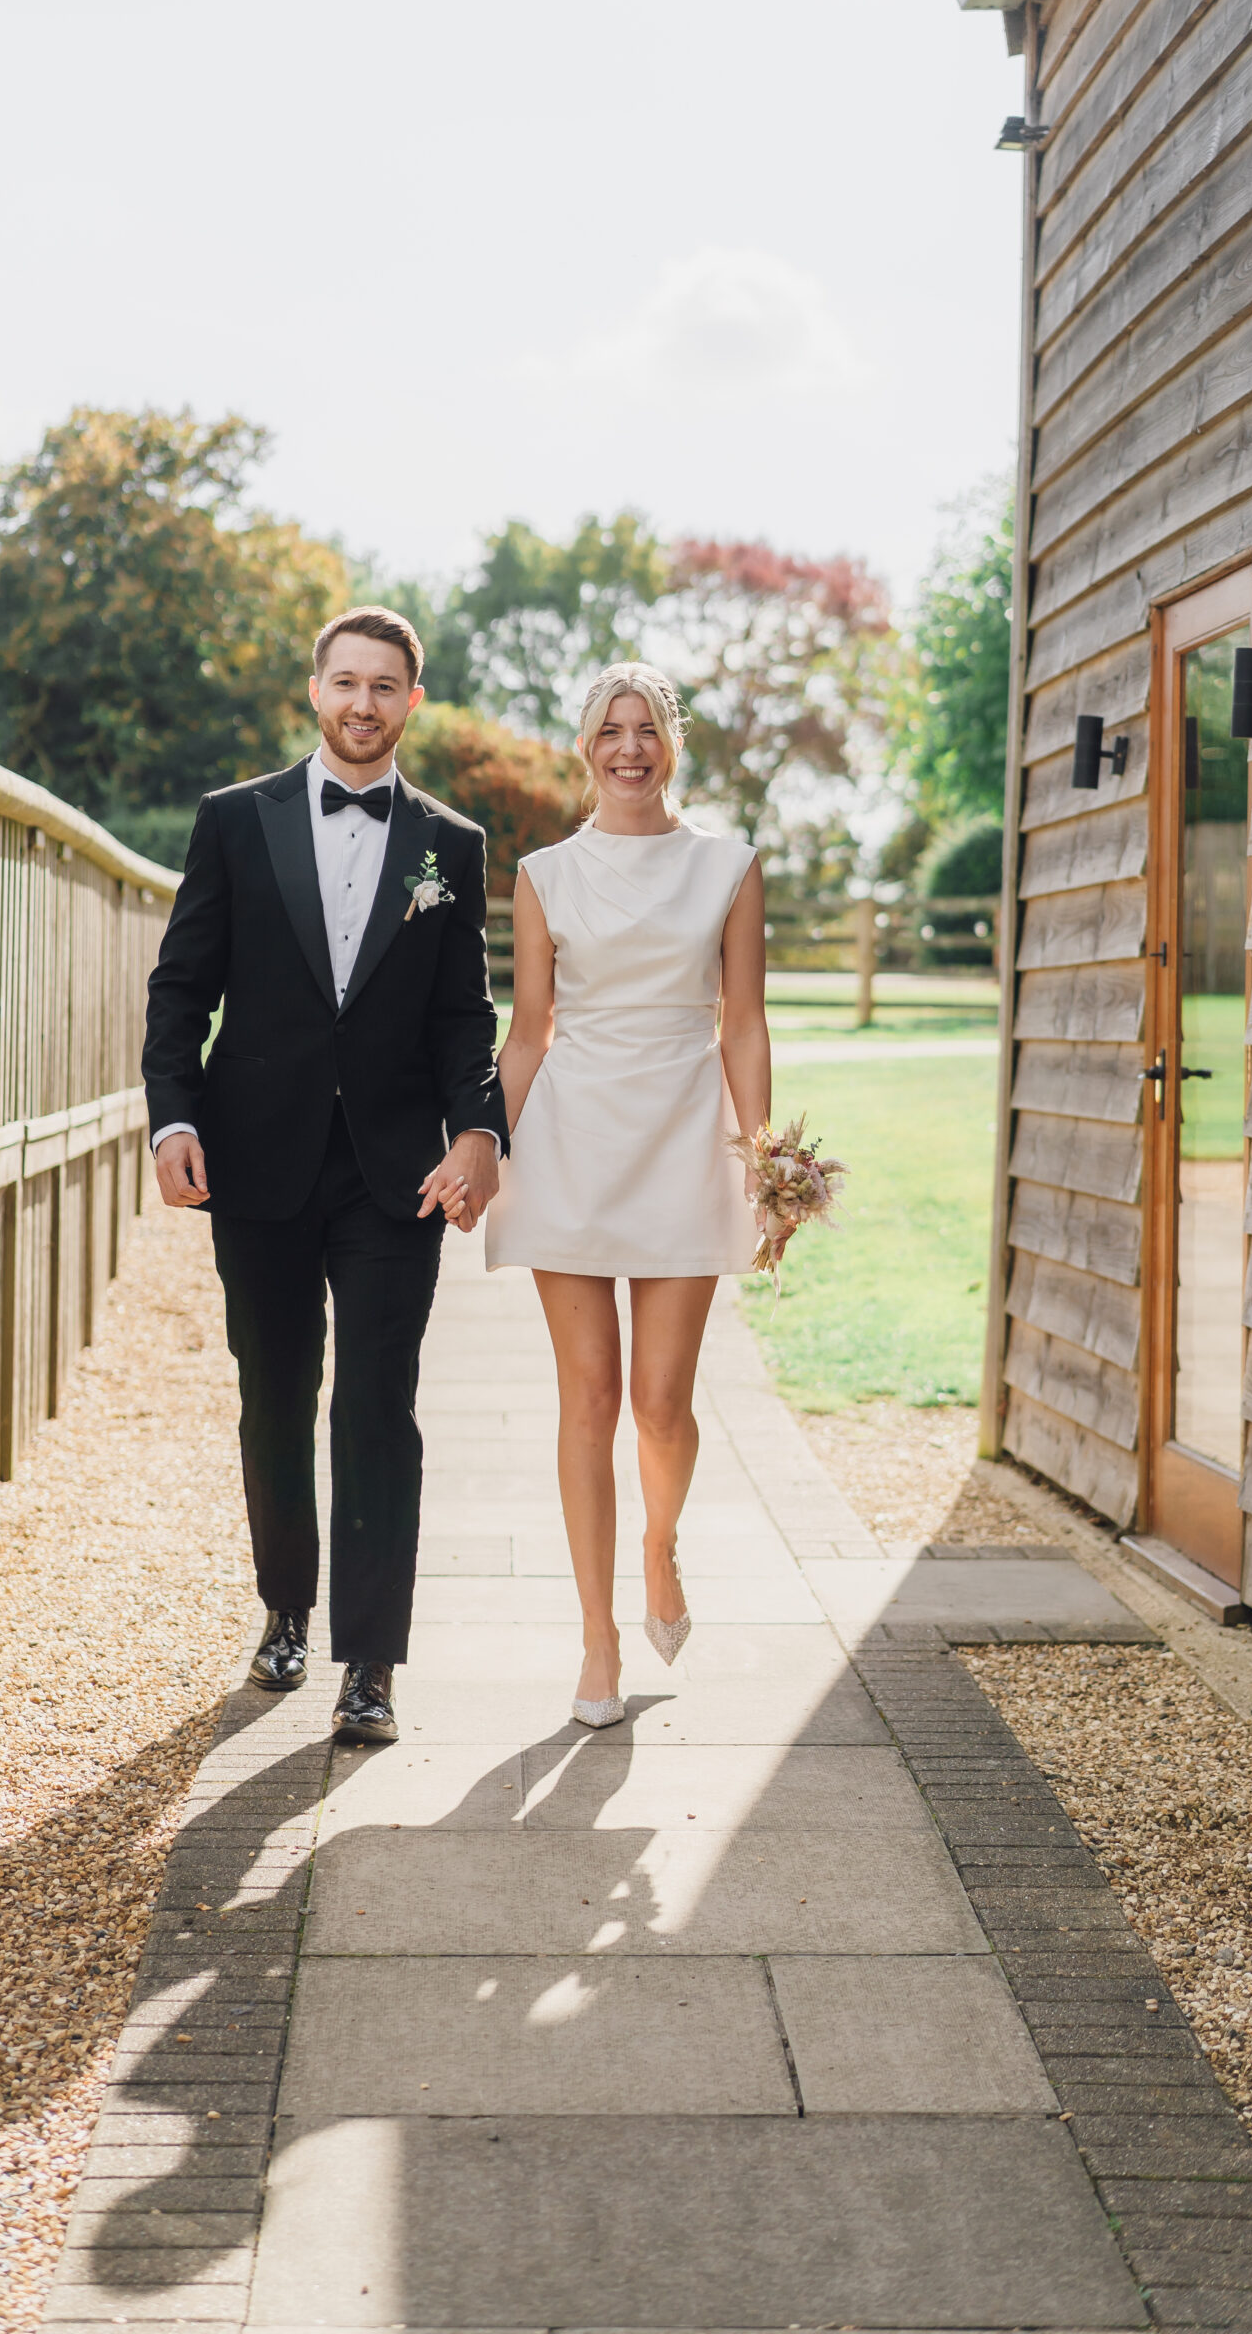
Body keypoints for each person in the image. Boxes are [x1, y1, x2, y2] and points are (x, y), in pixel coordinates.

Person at [141, 608, 507, 1746]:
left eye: (384, 686)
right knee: (276, 1394)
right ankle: (285, 1611)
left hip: (395, 1174)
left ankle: (372, 1664)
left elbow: (463, 1016)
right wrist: (172, 1119)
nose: (363, 703)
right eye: (345, 682)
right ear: (314, 690)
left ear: (413, 701)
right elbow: (179, 987)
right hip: (255, 1159)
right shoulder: (234, 822)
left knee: (379, 1406)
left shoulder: (452, 844)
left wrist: (479, 1131)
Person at [481, 662, 775, 1727]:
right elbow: (530, 1030)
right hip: (567, 1140)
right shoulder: (546, 873)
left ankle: (661, 1541)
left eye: (646, 728)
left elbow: (741, 1022)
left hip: (685, 1138)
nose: (629, 747)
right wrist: (482, 1144)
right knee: (590, 1398)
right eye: (609, 729)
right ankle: (597, 1638)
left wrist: (765, 1156)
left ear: (672, 744)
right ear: (585, 746)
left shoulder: (730, 867)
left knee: (661, 1403)